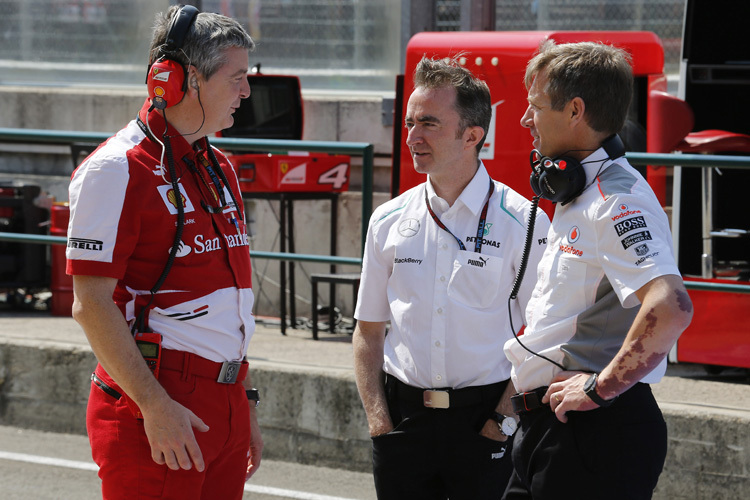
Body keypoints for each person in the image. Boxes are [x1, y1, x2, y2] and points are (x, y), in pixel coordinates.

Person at [67, 5, 263, 499]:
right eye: (237, 78)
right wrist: (154, 406)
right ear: (184, 79)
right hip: (156, 401)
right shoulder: (115, 169)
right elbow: (90, 305)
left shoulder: (220, 166)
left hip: (225, 400)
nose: (246, 92)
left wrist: (244, 405)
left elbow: (230, 308)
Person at [502, 40, 694, 499]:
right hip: (549, 428)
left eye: (536, 107)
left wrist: (601, 388)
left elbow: (671, 306)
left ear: (575, 110)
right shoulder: (581, 193)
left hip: (592, 430)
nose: (526, 119)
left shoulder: (614, 199)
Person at [353, 55, 550, 500]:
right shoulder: (387, 220)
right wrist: (380, 425)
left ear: (472, 136)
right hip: (404, 424)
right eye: (409, 123)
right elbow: (367, 331)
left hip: (485, 424)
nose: (412, 137)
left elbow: (542, 336)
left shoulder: (523, 221)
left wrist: (502, 422)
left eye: (428, 124)